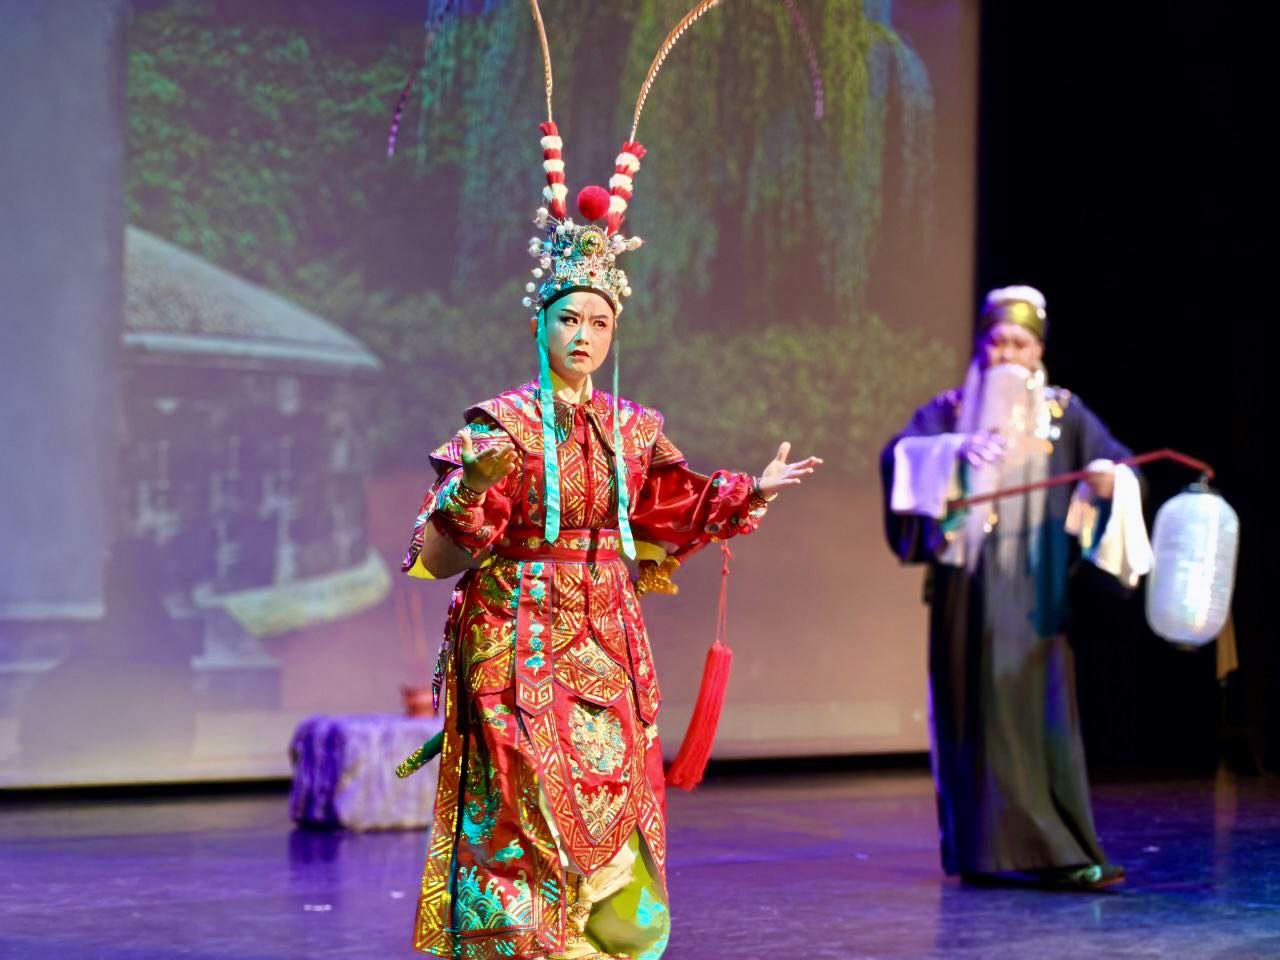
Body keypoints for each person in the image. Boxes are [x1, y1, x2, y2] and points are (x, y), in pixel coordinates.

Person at [400, 4, 820, 956]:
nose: (583, 333)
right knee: (523, 801)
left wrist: (742, 491)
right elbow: (438, 552)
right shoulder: (498, 423)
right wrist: (471, 495)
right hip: (519, 641)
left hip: (609, 635)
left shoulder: (634, 429)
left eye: (598, 319)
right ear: (540, 322)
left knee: (615, 799)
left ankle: (610, 943)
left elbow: (666, 508)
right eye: (567, 317)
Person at [881, 285, 1150, 890]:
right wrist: (951, 454)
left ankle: (1059, 849)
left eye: (1020, 344)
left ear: (1038, 353)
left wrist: (1108, 485)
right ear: (982, 347)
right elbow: (900, 456)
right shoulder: (951, 410)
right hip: (965, 596)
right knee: (969, 718)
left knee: (1041, 718)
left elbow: (1119, 466)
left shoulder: (1064, 413)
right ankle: (981, 851)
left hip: (1036, 596)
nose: (1007, 354)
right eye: (996, 342)